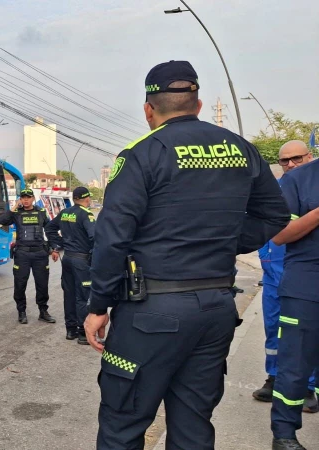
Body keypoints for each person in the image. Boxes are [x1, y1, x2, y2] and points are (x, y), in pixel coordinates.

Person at [83, 60, 290, 449]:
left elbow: (112, 239)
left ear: (149, 109)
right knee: (193, 425)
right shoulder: (241, 149)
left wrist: (98, 306)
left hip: (151, 315)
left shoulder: (142, 153)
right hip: (215, 311)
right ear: (197, 105)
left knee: (122, 424)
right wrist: (224, 242)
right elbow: (275, 215)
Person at [254, 141, 317, 413]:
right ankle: (274, 376)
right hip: (273, 276)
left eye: (297, 158)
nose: (290, 164)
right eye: (285, 160)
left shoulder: (311, 187)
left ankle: (308, 387)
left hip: (301, 277)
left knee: (304, 334)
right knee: (273, 328)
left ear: (309, 156)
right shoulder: (276, 190)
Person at [269, 156, 319, 449]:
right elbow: (279, 234)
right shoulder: (299, 179)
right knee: (295, 364)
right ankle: (284, 434)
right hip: (307, 287)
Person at [0, 188, 57, 324]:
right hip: (22, 254)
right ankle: (21, 312)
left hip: (40, 254)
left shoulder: (41, 212)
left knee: (42, 285)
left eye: (28, 197)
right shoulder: (16, 213)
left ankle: (43, 312)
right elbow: (2, 221)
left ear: (33, 199)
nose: (26, 200)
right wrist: (14, 206)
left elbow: (50, 231)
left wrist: (54, 248)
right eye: (23, 197)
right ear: (20, 199)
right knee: (20, 285)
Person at [48, 186, 96, 344]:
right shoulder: (86, 214)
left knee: (69, 295)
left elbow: (49, 228)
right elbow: (94, 237)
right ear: (87, 198)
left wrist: (59, 243)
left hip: (67, 258)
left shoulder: (65, 213)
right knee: (83, 296)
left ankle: (70, 330)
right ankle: (83, 333)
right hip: (81, 260)